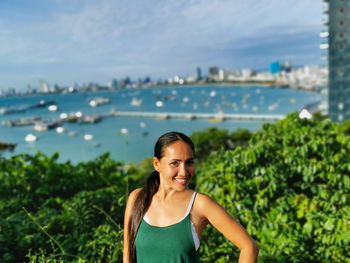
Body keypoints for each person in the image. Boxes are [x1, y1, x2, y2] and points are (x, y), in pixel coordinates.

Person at [123, 131, 259, 263]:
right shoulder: (137, 198)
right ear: (157, 164)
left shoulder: (200, 204)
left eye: (189, 162)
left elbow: (249, 247)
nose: (183, 172)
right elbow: (127, 254)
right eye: (175, 163)